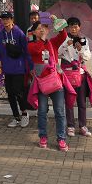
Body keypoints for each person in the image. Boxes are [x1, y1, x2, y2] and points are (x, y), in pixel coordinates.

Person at [27, 20, 68, 151]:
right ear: (34, 32)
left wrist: (58, 23)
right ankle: (43, 137)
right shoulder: (31, 45)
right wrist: (43, 40)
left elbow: (63, 36)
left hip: (55, 82)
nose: (42, 30)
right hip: (41, 84)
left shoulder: (53, 43)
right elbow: (37, 50)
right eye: (39, 28)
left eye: (44, 27)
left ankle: (61, 138)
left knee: (60, 112)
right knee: (42, 111)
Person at [57, 17, 92, 137]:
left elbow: (87, 56)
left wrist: (81, 50)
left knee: (82, 102)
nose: (73, 29)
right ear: (67, 28)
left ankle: (82, 126)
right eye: (71, 27)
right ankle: (70, 126)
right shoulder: (64, 38)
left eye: (75, 27)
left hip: (80, 74)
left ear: (79, 27)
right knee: (69, 101)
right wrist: (65, 44)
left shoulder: (83, 40)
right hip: (67, 75)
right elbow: (58, 53)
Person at [0, 12, 31, 128]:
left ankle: (24, 114)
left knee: (18, 92)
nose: (5, 21)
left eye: (7, 19)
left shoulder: (19, 33)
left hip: (18, 68)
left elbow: (27, 51)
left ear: (12, 19)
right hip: (7, 68)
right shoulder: (0, 35)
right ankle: (16, 117)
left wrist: (30, 67)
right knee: (10, 93)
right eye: (3, 19)